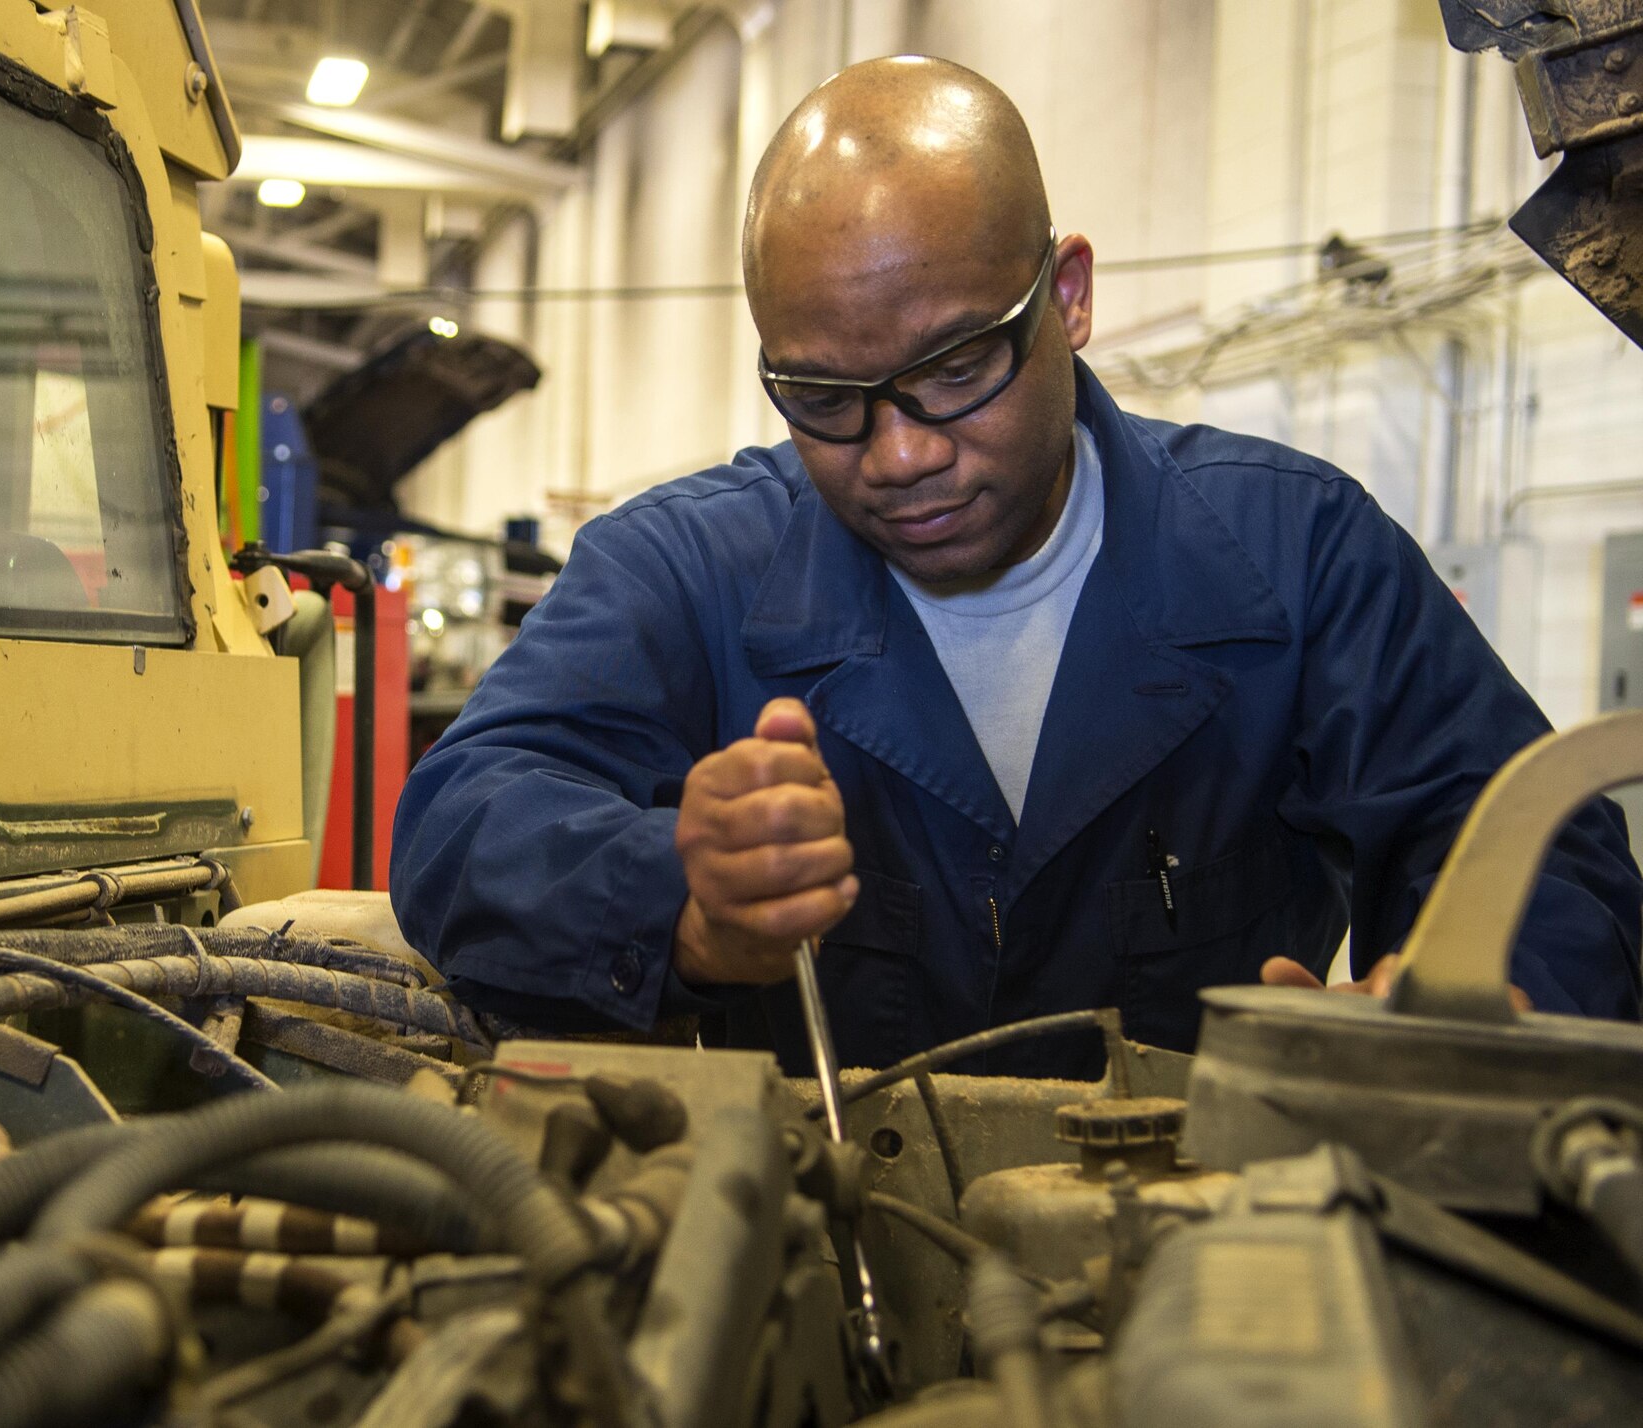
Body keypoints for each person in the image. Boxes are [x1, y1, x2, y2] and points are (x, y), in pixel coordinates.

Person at [389, 56, 1643, 1078]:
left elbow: (1525, 844)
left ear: (1069, 295)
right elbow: (460, 816)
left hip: (1210, 1260)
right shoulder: (688, 566)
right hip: (819, 1253)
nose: (897, 454)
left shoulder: (1293, 556)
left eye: (951, 371)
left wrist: (1460, 1012)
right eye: (823, 397)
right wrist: (677, 900)